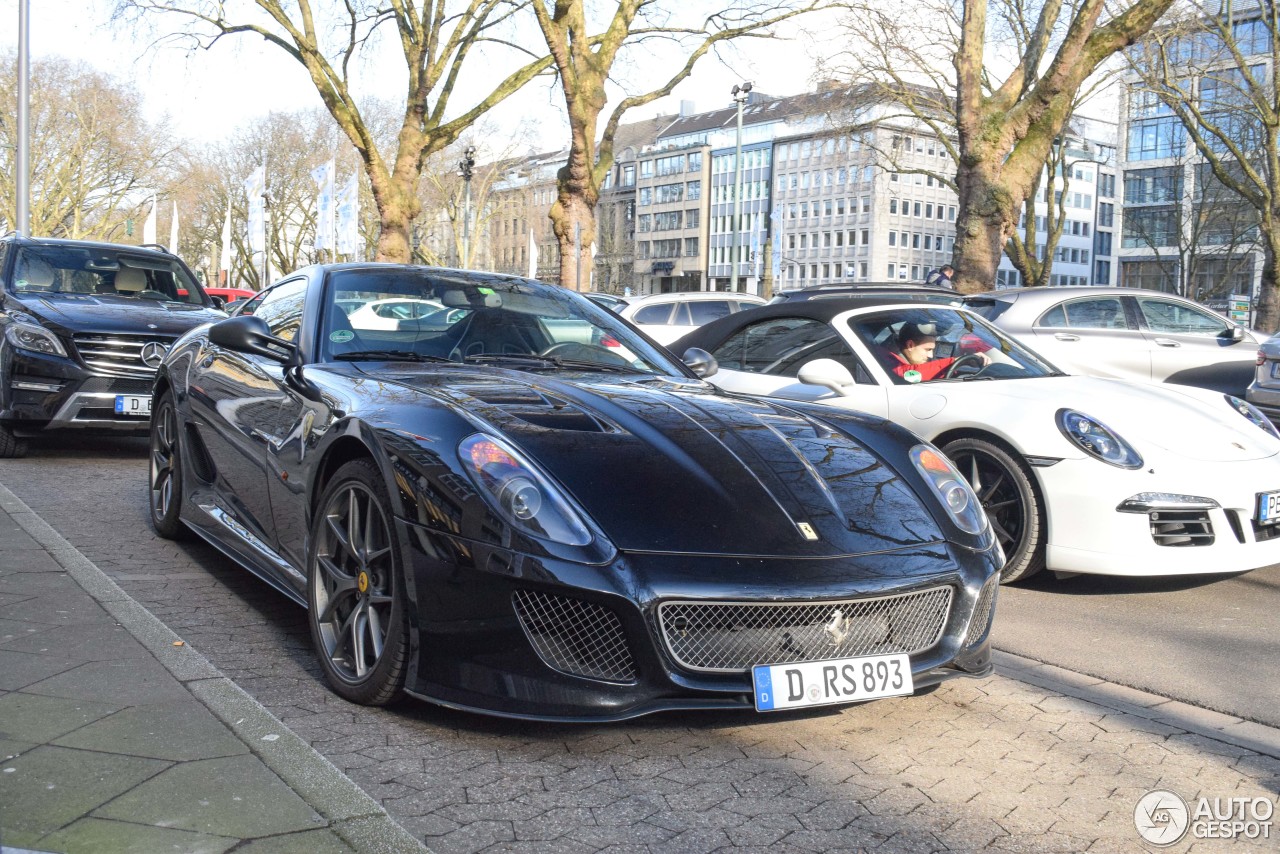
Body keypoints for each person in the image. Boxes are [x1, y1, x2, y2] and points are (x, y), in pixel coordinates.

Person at [883, 320, 989, 383]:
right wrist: (959, 361)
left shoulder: (891, 350)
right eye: (928, 349)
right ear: (910, 345)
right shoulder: (887, 361)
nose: (931, 355)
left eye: (933, 350)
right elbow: (909, 374)